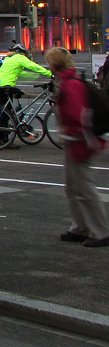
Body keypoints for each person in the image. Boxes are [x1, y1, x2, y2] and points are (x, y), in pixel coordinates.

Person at [45, 47, 109, 247]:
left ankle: (101, 231)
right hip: (78, 140)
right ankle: (81, 227)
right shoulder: (69, 81)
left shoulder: (69, 85)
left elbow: (77, 115)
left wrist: (70, 132)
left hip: (79, 141)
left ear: (54, 64)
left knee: (83, 187)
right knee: (74, 187)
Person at [0, 44, 52, 127]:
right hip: (5, 86)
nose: (25, 55)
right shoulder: (19, 57)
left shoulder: (9, 59)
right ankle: (1, 134)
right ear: (21, 52)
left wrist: (35, 76)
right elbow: (33, 66)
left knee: (3, 111)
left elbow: (18, 72)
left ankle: (0, 133)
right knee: (6, 112)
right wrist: (49, 74)